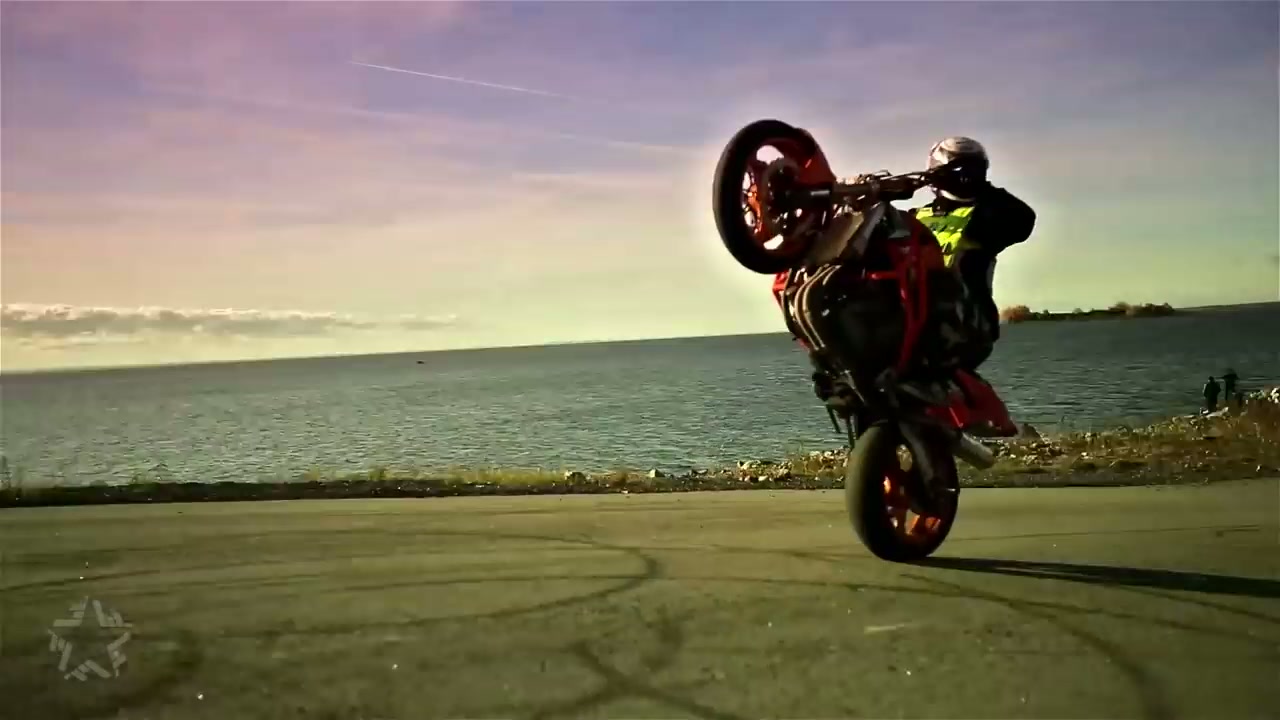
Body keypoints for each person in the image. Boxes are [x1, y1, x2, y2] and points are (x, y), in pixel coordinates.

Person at [906, 137, 1037, 373]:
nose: (966, 177)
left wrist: (984, 190)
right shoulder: (915, 217)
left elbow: (1021, 219)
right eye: (958, 170)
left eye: (974, 170)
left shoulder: (987, 215)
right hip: (910, 323)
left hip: (966, 325)